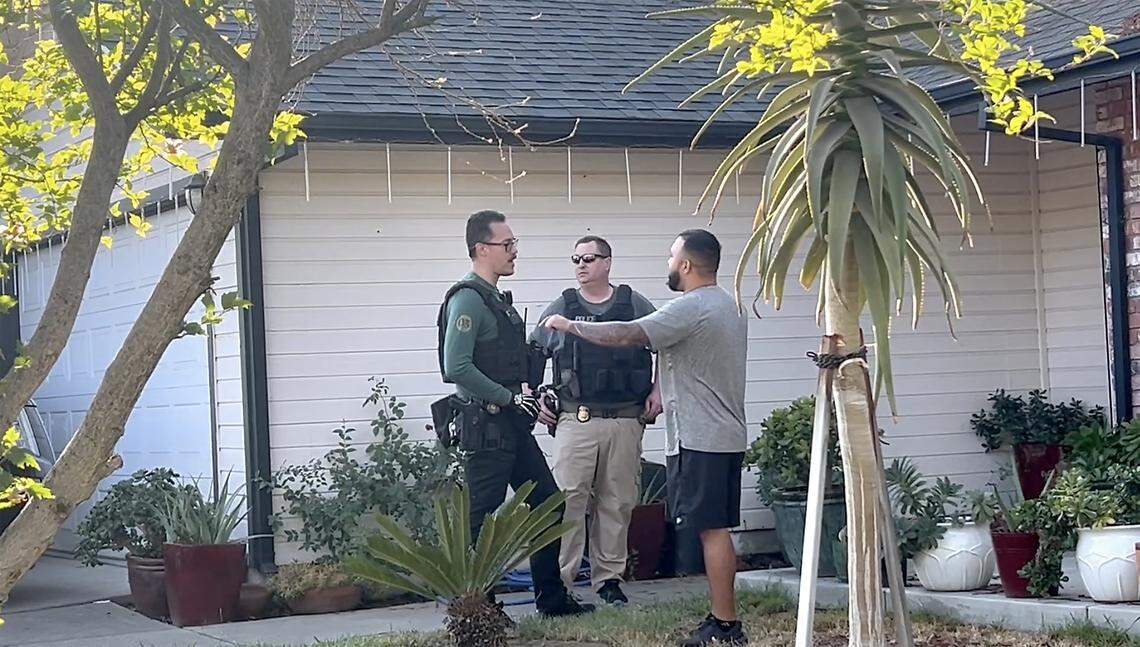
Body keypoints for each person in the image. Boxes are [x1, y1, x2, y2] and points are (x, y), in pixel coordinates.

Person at [541, 229, 748, 646]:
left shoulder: (691, 307)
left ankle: (725, 625)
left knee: (709, 530)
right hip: (724, 434)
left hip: (700, 437)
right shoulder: (728, 305)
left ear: (687, 265)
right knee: (716, 528)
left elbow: (628, 334)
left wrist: (571, 325)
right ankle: (723, 620)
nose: (668, 264)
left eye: (672, 256)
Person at [436, 209, 594, 618]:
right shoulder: (468, 299)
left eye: (514, 244)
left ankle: (552, 601)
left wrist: (528, 394)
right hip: (486, 427)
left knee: (548, 504)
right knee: (481, 524)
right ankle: (479, 609)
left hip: (511, 426)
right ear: (481, 249)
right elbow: (456, 366)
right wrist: (507, 399)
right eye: (507, 245)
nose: (514, 252)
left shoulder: (495, 300)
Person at [529, 235, 662, 606]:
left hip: (625, 420)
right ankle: (560, 585)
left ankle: (609, 581)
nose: (581, 265)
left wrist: (659, 391)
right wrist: (537, 395)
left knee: (616, 502)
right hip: (576, 418)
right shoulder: (563, 306)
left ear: (607, 262)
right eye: (576, 259)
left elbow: (664, 345)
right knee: (568, 499)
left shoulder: (633, 304)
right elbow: (534, 350)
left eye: (589, 258)